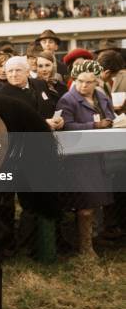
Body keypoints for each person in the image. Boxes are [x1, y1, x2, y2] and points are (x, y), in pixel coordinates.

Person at [56, 61, 115, 258]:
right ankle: (85, 247)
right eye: (80, 81)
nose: (84, 86)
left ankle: (95, 238)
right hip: (79, 158)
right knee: (85, 205)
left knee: (98, 201)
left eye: (89, 82)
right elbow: (66, 127)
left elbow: (110, 116)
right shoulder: (68, 100)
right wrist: (94, 125)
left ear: (97, 82)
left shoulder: (101, 96)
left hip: (100, 155)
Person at [0, 57, 64, 130]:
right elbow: (10, 125)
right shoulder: (1, 96)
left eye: (18, 70)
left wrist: (59, 120)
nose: (14, 74)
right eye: (10, 71)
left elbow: (51, 107)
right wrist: (43, 124)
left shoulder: (41, 84)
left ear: (27, 72)